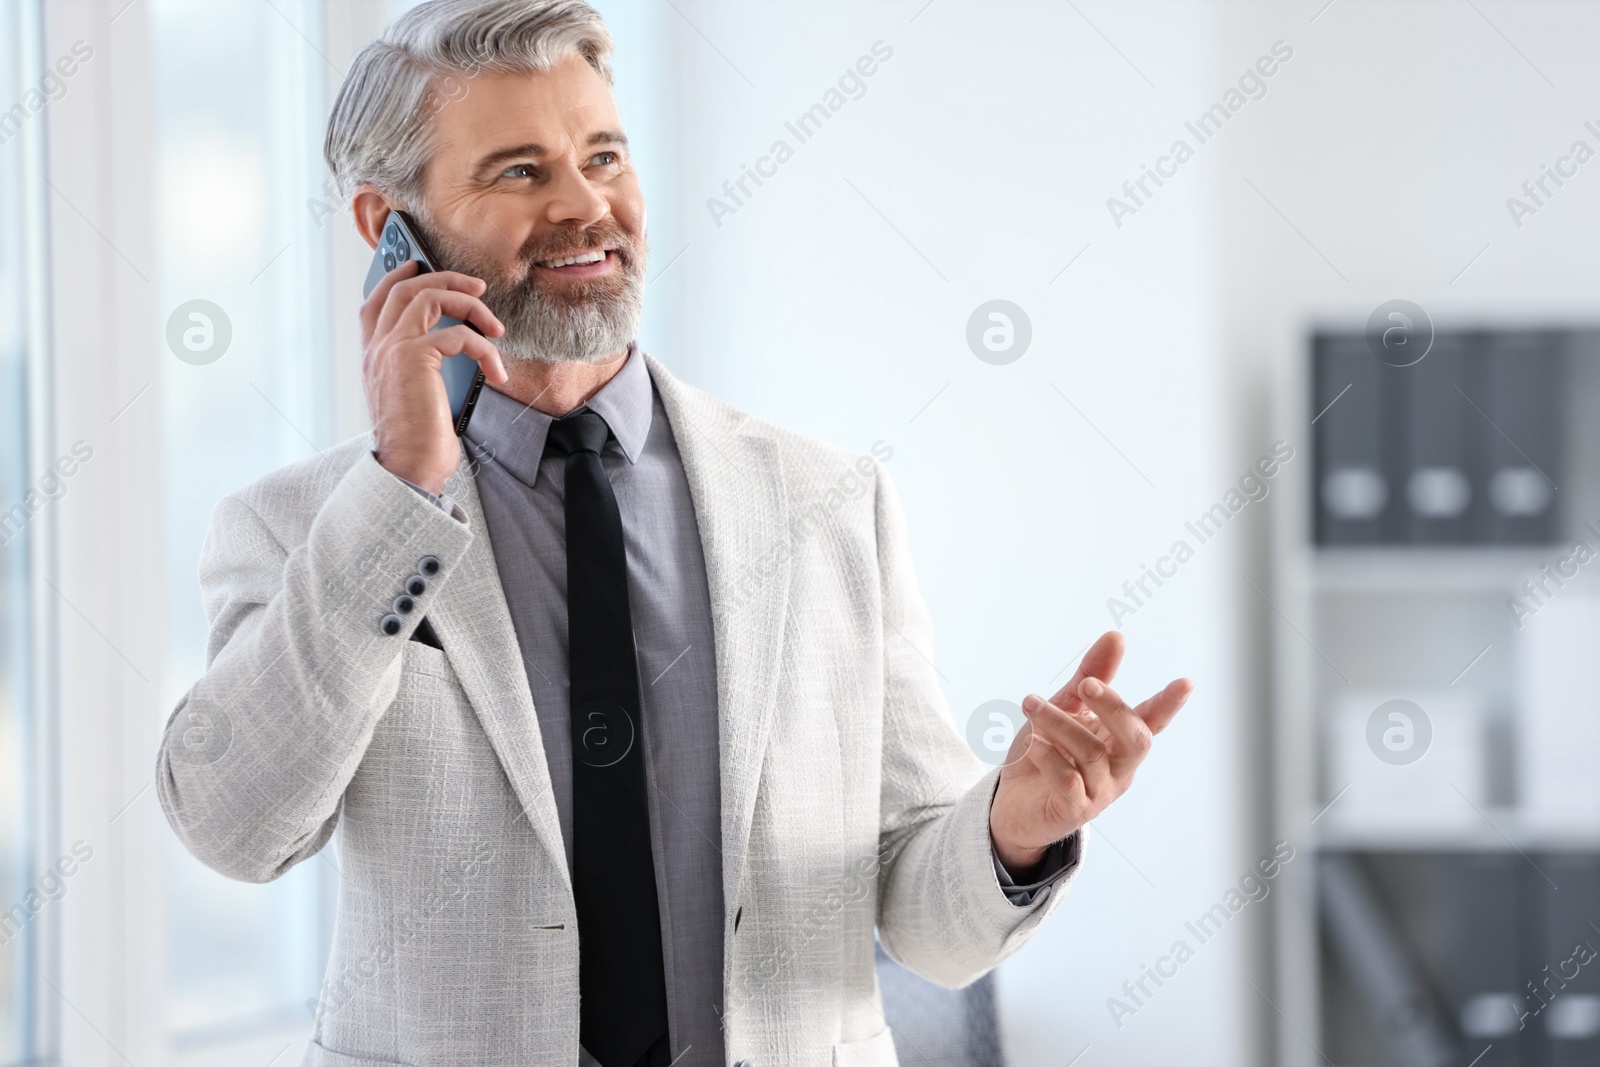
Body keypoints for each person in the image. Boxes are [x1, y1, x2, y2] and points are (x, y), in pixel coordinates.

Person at [155, 2, 1191, 1064]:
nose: (584, 205)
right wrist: (400, 488)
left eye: (603, 155)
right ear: (389, 227)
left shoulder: (829, 502)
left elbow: (922, 923)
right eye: (519, 172)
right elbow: (233, 826)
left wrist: (1014, 826)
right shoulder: (294, 527)